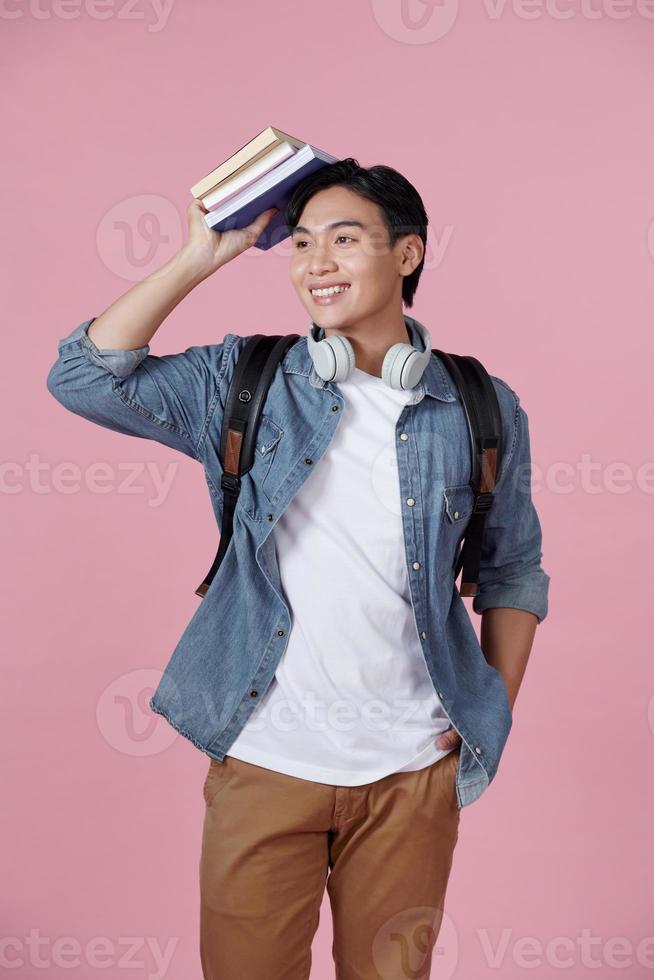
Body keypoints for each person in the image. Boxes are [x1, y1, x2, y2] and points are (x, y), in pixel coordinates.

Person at [46, 158, 550, 980]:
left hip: (410, 772)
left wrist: (488, 709)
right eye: (302, 243)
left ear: (408, 255)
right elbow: (80, 378)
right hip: (264, 759)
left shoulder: (480, 405)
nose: (316, 263)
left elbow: (514, 570)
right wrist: (197, 259)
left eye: (345, 239)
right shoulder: (243, 382)